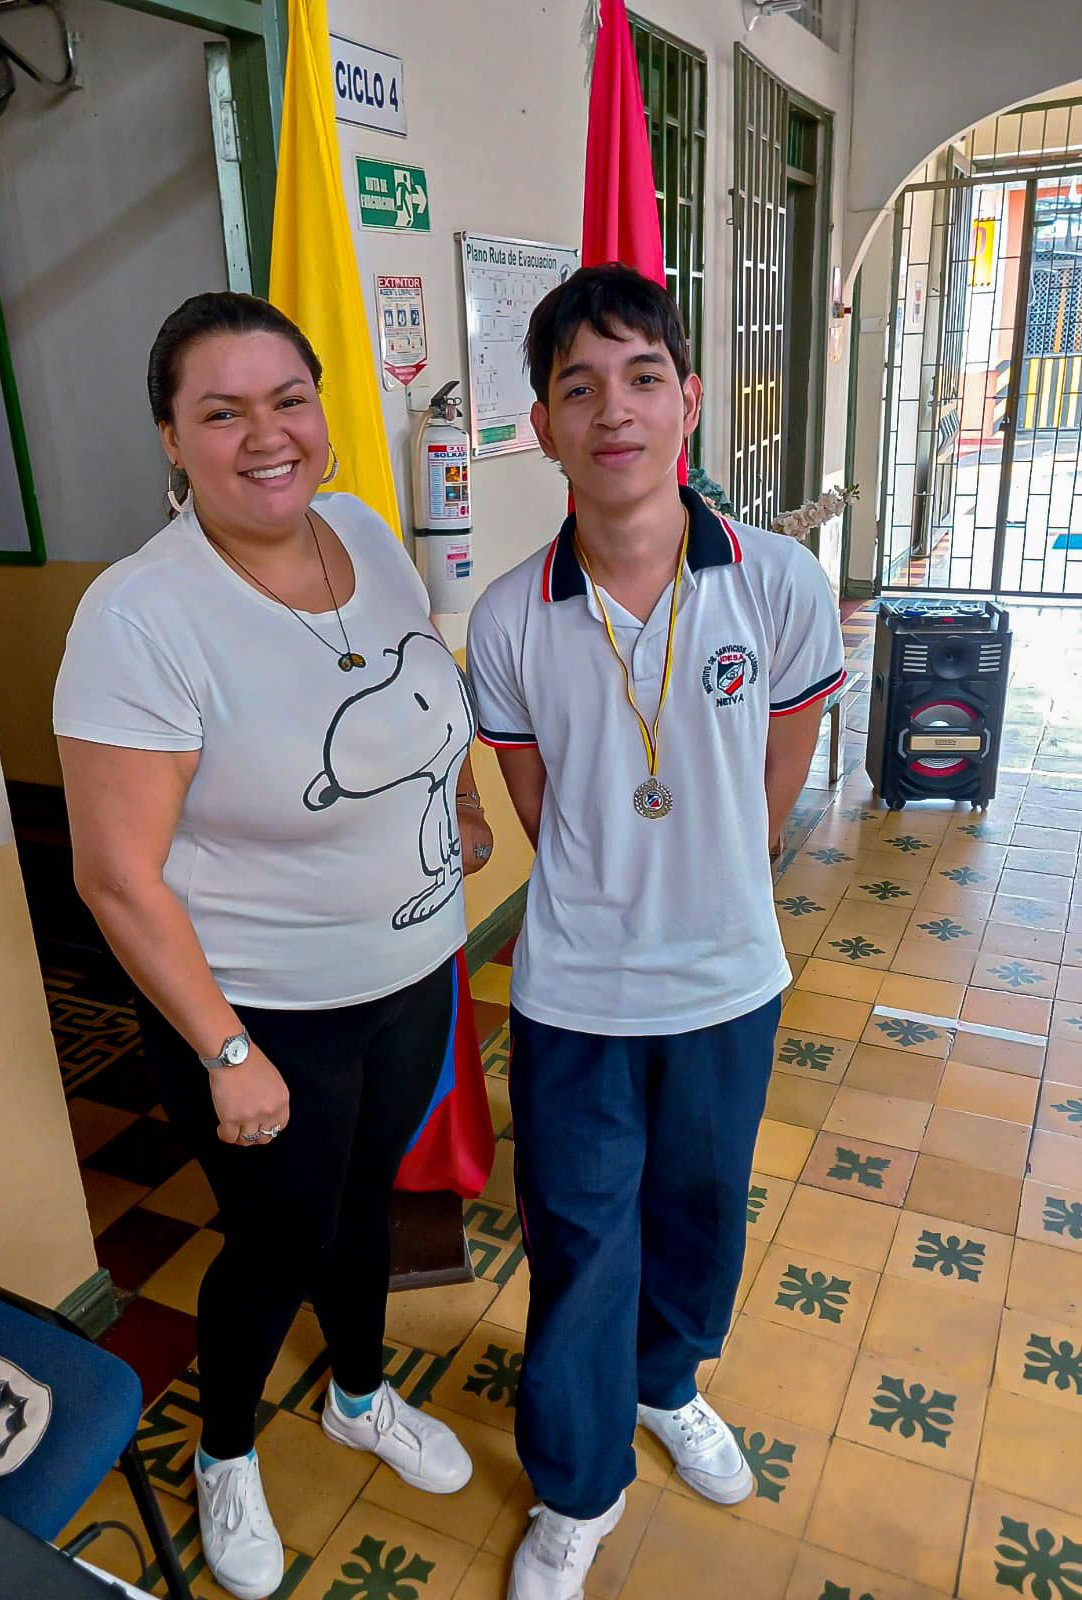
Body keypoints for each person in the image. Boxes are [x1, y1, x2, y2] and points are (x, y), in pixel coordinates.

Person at [54, 292, 493, 1600]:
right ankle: (227, 1448)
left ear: (320, 411)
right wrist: (226, 1051)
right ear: (172, 439)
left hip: (408, 976)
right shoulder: (141, 615)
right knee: (276, 1242)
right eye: (222, 411)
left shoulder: (364, 530)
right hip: (259, 1013)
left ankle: (358, 1394)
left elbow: (425, 685)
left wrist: (462, 799)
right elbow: (114, 876)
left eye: (288, 399)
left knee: (366, 1206)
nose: (266, 435)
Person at [466, 264, 845, 1600]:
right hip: (575, 991)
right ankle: (576, 1487)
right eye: (579, 388)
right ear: (544, 425)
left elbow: (785, 759)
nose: (612, 411)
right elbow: (536, 801)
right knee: (579, 1241)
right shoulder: (509, 616)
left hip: (730, 980)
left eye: (640, 378)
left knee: (700, 1212)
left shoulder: (778, 582)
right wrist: (619, 880)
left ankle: (667, 1384)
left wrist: (717, 874)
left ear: (689, 398)